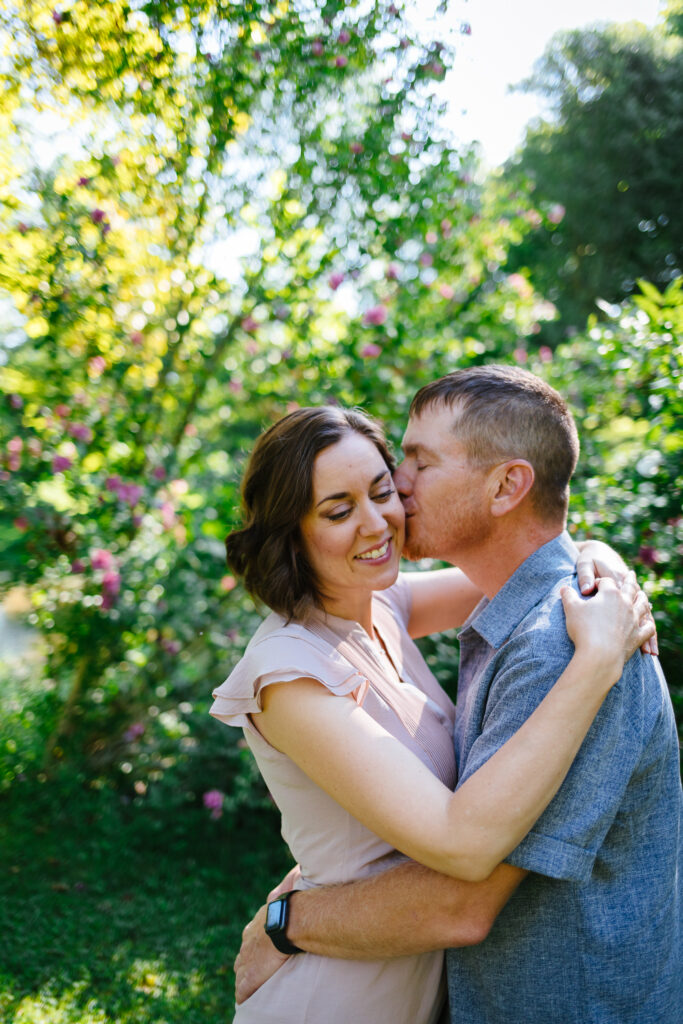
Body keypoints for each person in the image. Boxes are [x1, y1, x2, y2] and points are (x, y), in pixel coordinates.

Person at [231, 367, 681, 1024]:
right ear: (290, 530)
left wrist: (599, 559)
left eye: (394, 478)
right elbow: (459, 851)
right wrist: (284, 920)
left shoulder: (391, 607)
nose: (389, 507)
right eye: (336, 509)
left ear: (505, 485)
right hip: (341, 994)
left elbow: (538, 557)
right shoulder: (293, 672)